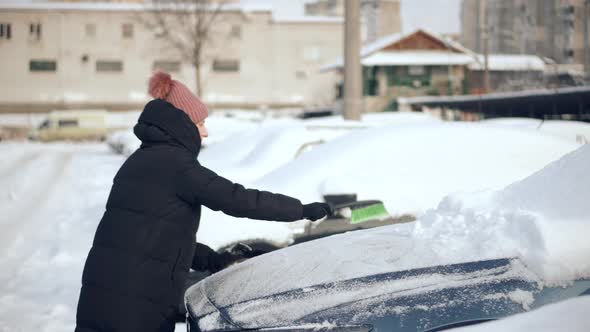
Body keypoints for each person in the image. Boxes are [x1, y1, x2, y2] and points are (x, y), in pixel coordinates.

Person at [74, 71, 332, 332]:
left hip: (106, 297)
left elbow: (152, 237)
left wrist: (211, 259)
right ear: (182, 124)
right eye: (200, 124)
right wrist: (300, 209)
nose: (205, 133)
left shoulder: (140, 161)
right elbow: (237, 199)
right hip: (135, 307)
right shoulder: (176, 165)